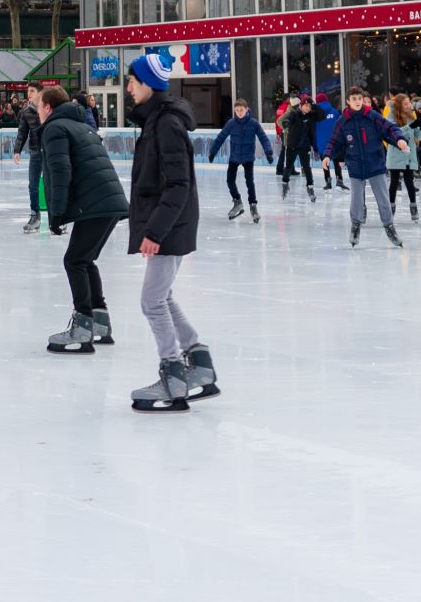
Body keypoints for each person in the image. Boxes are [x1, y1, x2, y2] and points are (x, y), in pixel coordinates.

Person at [124, 55, 210, 411]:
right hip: (172, 223)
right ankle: (200, 365)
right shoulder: (157, 120)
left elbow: (177, 184)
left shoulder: (166, 124)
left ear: (147, 83)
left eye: (131, 81)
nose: (128, 88)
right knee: (163, 296)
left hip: (170, 225)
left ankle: (174, 376)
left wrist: (154, 231)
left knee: (152, 301)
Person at [39, 82, 128, 354]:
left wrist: (56, 214)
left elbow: (60, 170)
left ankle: (83, 326)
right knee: (85, 260)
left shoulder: (54, 128)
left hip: (98, 203)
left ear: (47, 107)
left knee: (75, 260)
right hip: (108, 201)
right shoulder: (82, 125)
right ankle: (99, 323)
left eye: (37, 105)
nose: (36, 110)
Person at [329, 88, 411, 247]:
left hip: (375, 164)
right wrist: (327, 155)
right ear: (348, 101)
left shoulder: (372, 116)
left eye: (359, 98)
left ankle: (389, 227)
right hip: (356, 166)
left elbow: (390, 128)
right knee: (357, 201)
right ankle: (355, 227)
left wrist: (399, 139)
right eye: (354, 99)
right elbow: (334, 141)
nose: (358, 101)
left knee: (383, 200)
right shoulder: (343, 120)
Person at [206, 98, 275, 222]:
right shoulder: (231, 123)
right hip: (234, 157)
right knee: (229, 180)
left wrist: (268, 153)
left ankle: (253, 206)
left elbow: (263, 138)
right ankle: (237, 201)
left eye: (241, 110)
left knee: (250, 182)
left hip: (248, 157)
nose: (239, 112)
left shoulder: (253, 123)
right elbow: (221, 137)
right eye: (237, 110)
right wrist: (213, 151)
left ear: (246, 109)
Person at [13, 85, 45, 232]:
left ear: (40, 93)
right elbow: (22, 132)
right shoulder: (26, 112)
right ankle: (35, 215)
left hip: (50, 151)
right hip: (35, 152)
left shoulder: (48, 108)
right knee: (33, 185)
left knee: (52, 184)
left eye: (32, 91)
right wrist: (17, 151)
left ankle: (58, 217)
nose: (29, 94)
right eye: (28, 91)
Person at [278, 94, 319, 201]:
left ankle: (310, 187)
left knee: (307, 168)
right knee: (289, 166)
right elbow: (284, 120)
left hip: (305, 146)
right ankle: (285, 184)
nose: (308, 108)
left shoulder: (311, 116)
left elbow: (322, 116)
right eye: (306, 106)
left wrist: (314, 106)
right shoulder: (294, 113)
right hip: (293, 145)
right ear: (300, 105)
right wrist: (286, 124)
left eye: (310, 106)